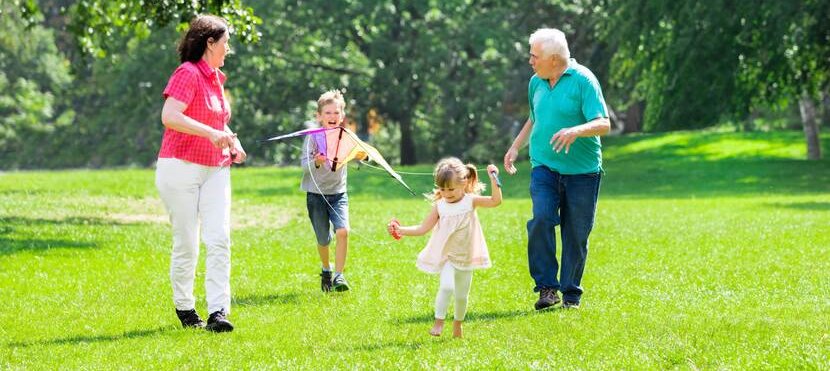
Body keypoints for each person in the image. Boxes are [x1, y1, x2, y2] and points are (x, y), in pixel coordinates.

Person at [503, 28, 610, 311]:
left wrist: (577, 130)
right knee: (541, 219)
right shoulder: (536, 82)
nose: (530, 61)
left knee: (576, 234)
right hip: (544, 167)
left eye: (534, 56)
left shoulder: (584, 81)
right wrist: (515, 147)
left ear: (553, 59)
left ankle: (571, 295)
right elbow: (534, 117)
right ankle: (547, 287)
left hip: (583, 173)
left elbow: (604, 123)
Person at [155, 14, 245, 333]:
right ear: (210, 43)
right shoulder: (188, 73)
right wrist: (211, 133)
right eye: (225, 43)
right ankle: (185, 308)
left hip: (216, 168)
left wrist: (233, 142)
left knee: (219, 238)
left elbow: (217, 122)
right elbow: (170, 116)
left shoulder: (217, 80)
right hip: (179, 167)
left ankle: (218, 311)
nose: (228, 49)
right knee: (187, 243)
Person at [387, 158, 502, 338]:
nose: (446, 193)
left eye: (451, 189)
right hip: (448, 256)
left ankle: (458, 325)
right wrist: (400, 230)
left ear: (464, 183)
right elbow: (422, 228)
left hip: (467, 257)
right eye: (442, 189)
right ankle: (438, 322)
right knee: (447, 287)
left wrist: (494, 179)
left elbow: (496, 201)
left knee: (462, 296)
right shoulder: (440, 206)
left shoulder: (470, 201)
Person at [301, 90, 364, 292]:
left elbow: (361, 154)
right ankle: (326, 269)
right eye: (327, 113)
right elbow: (304, 166)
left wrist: (363, 156)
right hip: (315, 195)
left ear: (342, 116)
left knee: (343, 231)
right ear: (319, 116)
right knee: (323, 239)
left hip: (338, 194)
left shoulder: (345, 136)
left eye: (336, 112)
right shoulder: (312, 137)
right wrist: (316, 162)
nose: (332, 116)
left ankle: (339, 275)